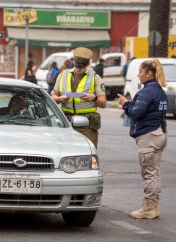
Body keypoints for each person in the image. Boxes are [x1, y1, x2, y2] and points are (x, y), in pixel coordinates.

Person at [117, 58, 168, 220]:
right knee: (155, 172)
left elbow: (138, 111)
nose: (138, 75)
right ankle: (153, 206)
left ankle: (149, 209)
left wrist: (125, 104)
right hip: (158, 133)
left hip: (148, 136)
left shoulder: (147, 91)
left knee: (149, 174)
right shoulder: (159, 91)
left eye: (140, 72)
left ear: (149, 73)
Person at [52, 47, 106, 148]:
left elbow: (103, 103)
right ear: (73, 61)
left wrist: (93, 98)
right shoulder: (63, 75)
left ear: (88, 64)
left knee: (89, 155)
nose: (78, 69)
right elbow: (53, 97)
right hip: (66, 125)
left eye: (81, 66)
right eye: (76, 65)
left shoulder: (95, 77)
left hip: (87, 127)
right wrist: (59, 99)